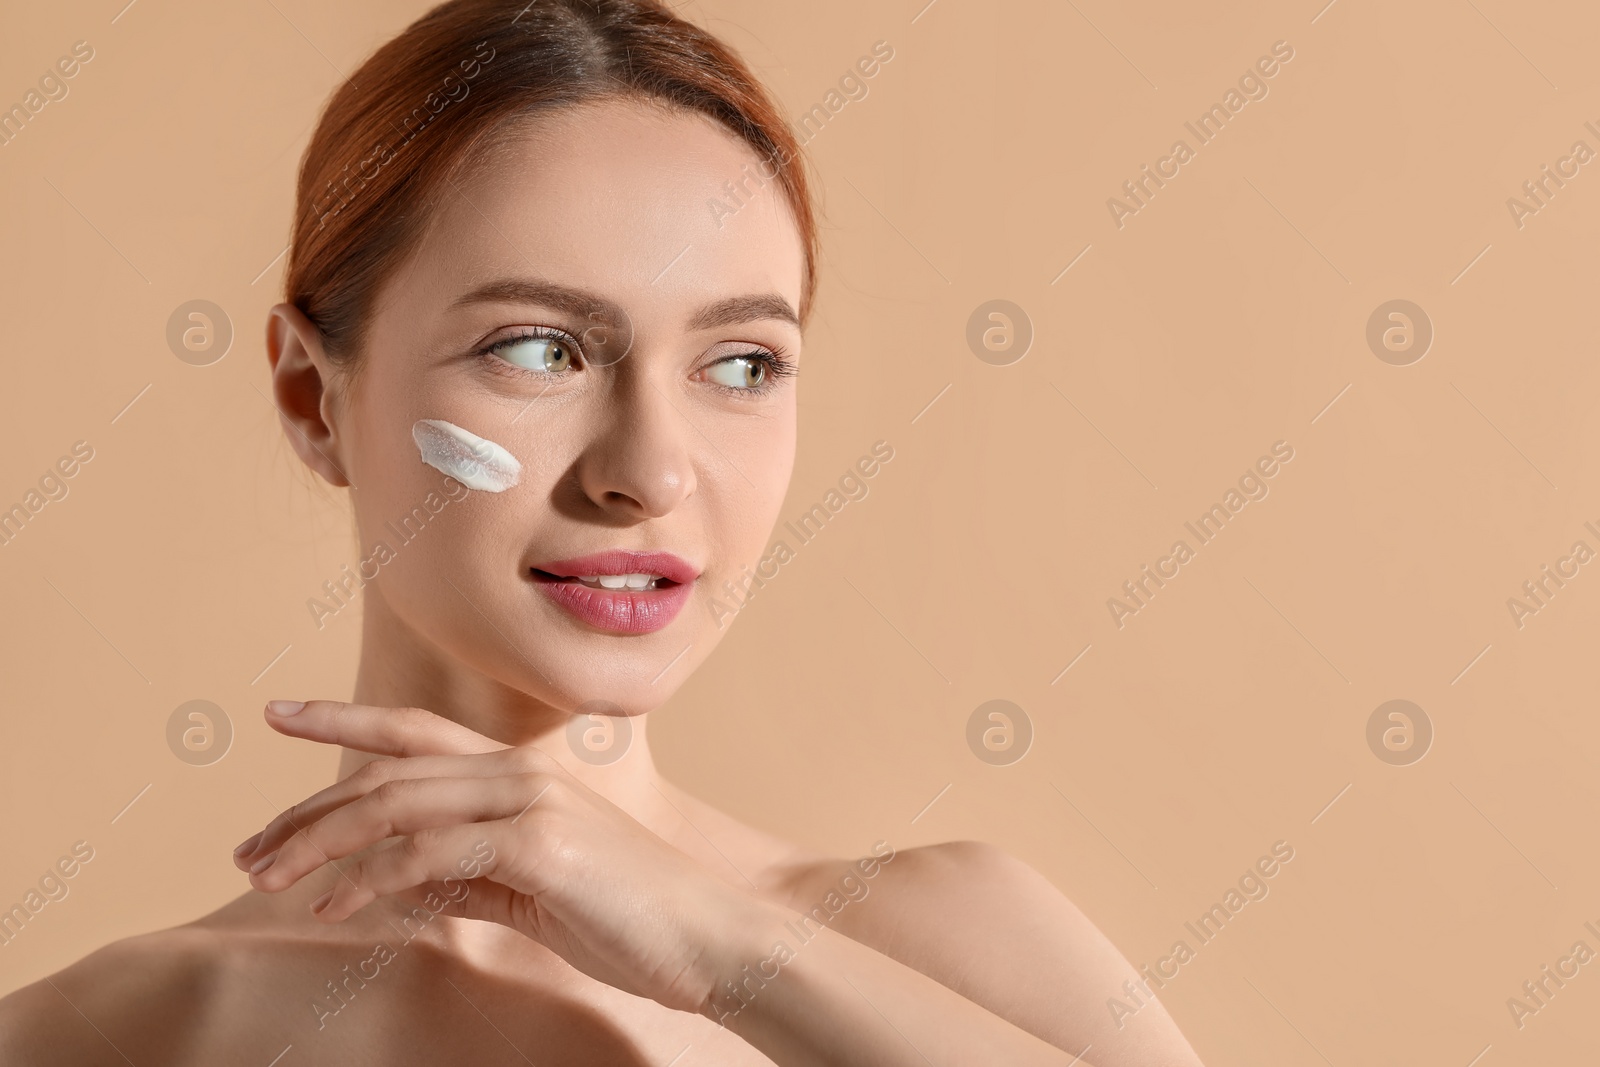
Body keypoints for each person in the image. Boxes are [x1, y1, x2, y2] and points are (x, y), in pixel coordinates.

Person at [0, 1, 1203, 1063]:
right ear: (313, 398)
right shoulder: (109, 1035)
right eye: (538, 348)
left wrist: (728, 951)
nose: (651, 471)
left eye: (741, 362)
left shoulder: (952, 945)